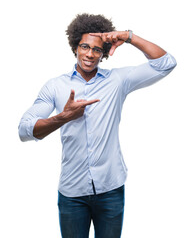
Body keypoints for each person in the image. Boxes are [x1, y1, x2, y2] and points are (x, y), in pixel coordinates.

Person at [18, 13, 177, 238]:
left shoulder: (118, 80)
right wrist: (63, 117)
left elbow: (166, 63)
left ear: (103, 55)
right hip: (72, 193)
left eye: (97, 50)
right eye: (85, 47)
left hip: (111, 189)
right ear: (75, 47)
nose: (90, 54)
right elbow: (24, 130)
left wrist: (129, 37)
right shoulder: (55, 87)